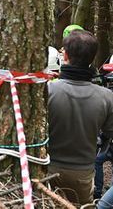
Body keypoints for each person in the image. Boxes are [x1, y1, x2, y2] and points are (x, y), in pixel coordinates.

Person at [48, 30, 113, 205]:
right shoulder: (107, 97)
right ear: (92, 59)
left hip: (46, 166)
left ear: (66, 55)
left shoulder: (47, 91)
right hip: (82, 173)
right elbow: (109, 134)